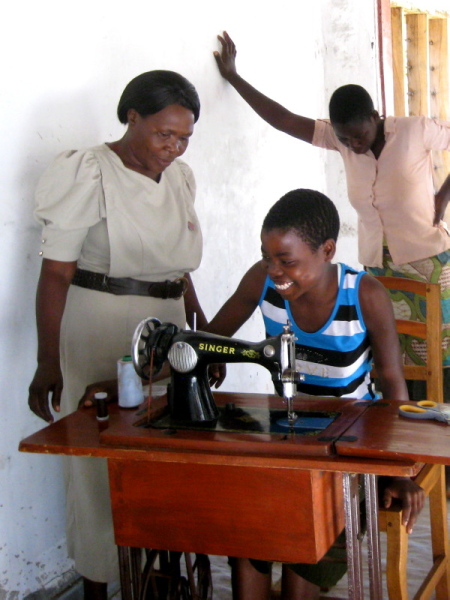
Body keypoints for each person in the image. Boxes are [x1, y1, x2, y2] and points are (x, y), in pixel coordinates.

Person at [28, 70, 209, 600]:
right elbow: (56, 273)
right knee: (99, 462)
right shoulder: (88, 171)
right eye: (163, 134)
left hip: (166, 327)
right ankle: (98, 584)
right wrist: (47, 362)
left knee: (166, 453)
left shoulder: (180, 176)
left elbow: (178, 259)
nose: (173, 148)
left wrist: (192, 310)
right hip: (100, 322)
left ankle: (159, 574)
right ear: (131, 117)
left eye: (183, 138)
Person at [204, 188, 425, 600]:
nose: (273, 270)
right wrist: (125, 378)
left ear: (327, 250)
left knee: (309, 547)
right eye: (267, 257)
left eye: (286, 261)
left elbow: (394, 385)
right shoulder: (262, 281)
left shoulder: (364, 295)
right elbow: (208, 340)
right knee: (248, 523)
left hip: (352, 443)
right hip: (288, 437)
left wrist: (398, 470)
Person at [213, 31, 450, 403]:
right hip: (380, 266)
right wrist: (234, 77)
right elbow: (285, 120)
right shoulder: (339, 140)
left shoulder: (413, 130)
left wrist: (443, 195)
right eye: (346, 139)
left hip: (431, 264)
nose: (353, 145)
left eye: (360, 136)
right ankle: (408, 425)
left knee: (442, 359)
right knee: (393, 362)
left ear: (376, 117)